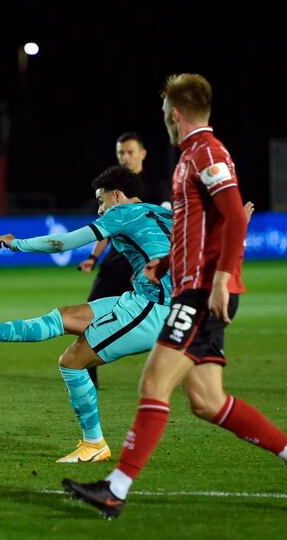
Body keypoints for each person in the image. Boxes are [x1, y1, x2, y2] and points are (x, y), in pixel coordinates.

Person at [62, 73, 287, 519]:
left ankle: (115, 489)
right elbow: (195, 227)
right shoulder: (190, 157)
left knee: (153, 382)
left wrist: (222, 278)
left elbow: (235, 218)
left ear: (175, 114)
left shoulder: (207, 152)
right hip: (190, 284)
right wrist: (165, 264)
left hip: (202, 293)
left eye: (165, 113)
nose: (163, 120)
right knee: (207, 401)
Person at [0, 166, 173, 463]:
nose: (100, 209)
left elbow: (61, 243)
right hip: (146, 300)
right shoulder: (164, 213)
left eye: (101, 201)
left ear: (117, 195)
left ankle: (94, 444)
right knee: (64, 316)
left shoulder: (120, 214)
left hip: (155, 309)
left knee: (72, 362)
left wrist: (17, 244)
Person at [78, 133, 170, 389]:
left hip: (146, 269)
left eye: (130, 152)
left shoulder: (156, 187)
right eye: (121, 153)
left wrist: (153, 264)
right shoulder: (111, 189)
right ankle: (87, 374)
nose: (125, 157)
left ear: (143, 153)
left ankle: (168, 373)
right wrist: (93, 257)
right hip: (115, 267)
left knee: (155, 321)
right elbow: (104, 229)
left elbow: (162, 230)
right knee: (89, 317)